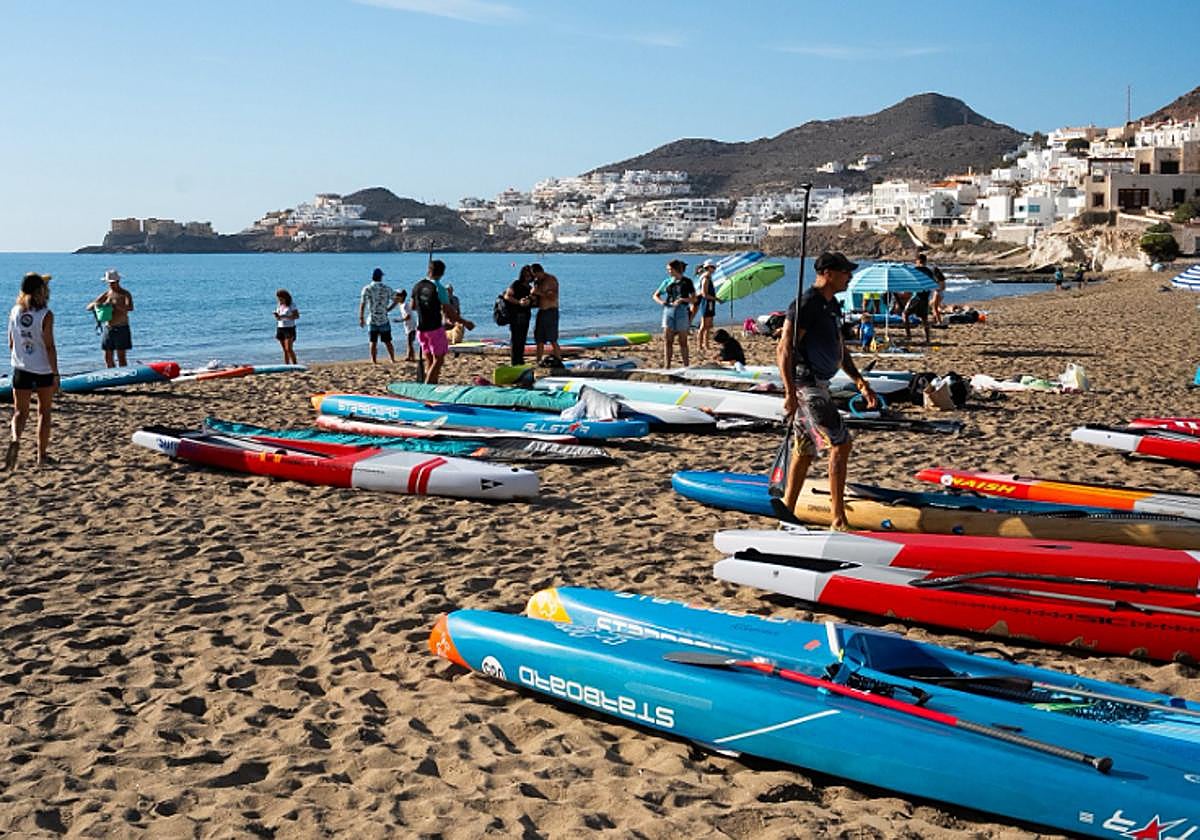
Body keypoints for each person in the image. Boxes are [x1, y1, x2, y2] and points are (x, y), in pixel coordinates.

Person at [773, 252, 878, 530]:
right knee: (841, 443)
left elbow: (840, 350)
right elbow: (784, 348)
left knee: (805, 449)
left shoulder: (832, 305)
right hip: (807, 385)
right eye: (846, 272)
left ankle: (787, 512)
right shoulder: (806, 303)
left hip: (821, 385)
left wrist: (860, 381)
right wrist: (789, 392)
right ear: (829, 273)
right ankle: (838, 518)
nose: (850, 277)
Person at [6, 272, 58, 470]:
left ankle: (15, 439)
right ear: (41, 291)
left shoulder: (15, 311)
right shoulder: (46, 314)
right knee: (44, 412)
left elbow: (11, 343)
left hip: (20, 368)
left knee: (20, 412)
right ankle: (41, 456)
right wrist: (55, 374)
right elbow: (49, 347)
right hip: (42, 369)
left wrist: (21, 356)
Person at [412, 259, 473, 384]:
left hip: (420, 329)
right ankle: (427, 387)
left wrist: (426, 304)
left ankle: (432, 384)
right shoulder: (439, 288)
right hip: (434, 328)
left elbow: (413, 306)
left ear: (429, 270)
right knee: (439, 360)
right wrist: (465, 322)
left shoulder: (417, 285)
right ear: (442, 273)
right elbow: (449, 312)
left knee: (429, 359)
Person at [85, 269, 134, 367]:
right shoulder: (107, 294)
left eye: (113, 283)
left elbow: (130, 308)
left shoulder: (125, 294)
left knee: (121, 356)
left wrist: (116, 306)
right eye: (109, 283)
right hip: (109, 327)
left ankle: (123, 376)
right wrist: (99, 305)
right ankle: (111, 375)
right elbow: (89, 307)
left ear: (118, 281)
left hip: (122, 327)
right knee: (107, 356)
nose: (111, 285)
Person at [653, 259, 695, 367]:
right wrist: (662, 302)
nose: (668, 271)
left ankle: (686, 366)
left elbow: (694, 299)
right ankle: (667, 366)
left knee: (683, 341)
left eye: (670, 269)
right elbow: (655, 295)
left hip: (682, 311)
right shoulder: (667, 282)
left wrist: (683, 300)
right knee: (668, 340)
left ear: (676, 269)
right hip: (669, 310)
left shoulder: (687, 282)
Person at [358, 267, 397, 364]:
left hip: (372, 319)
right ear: (381, 277)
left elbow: (363, 303)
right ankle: (392, 359)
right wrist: (389, 309)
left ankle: (374, 361)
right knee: (388, 341)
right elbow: (397, 299)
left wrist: (361, 318)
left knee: (373, 342)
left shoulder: (367, 288)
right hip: (383, 318)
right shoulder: (387, 288)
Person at [502, 265, 535, 366]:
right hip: (516, 314)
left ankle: (520, 359)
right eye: (526, 275)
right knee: (516, 339)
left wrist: (530, 302)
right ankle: (515, 361)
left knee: (522, 338)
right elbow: (507, 296)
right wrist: (518, 302)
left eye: (530, 275)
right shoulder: (516, 284)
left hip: (525, 315)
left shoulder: (530, 288)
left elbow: (534, 301)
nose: (528, 277)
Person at [530, 263, 561, 365]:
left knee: (552, 338)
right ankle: (538, 360)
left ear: (540, 272)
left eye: (536, 275)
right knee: (539, 339)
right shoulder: (537, 282)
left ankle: (558, 359)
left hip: (551, 311)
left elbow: (553, 297)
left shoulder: (550, 280)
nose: (535, 277)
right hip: (541, 311)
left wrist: (538, 292)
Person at [907, 254, 935, 343]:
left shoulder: (915, 270)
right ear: (925, 261)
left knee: (905, 314)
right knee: (924, 318)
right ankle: (927, 339)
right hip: (925, 297)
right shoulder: (929, 272)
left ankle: (909, 336)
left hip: (917, 296)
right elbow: (932, 283)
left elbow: (912, 282)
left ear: (918, 261)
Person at [694, 259, 719, 352]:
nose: (714, 269)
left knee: (709, 325)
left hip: (710, 302)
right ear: (708, 268)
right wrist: (716, 299)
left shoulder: (708, 277)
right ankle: (699, 346)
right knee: (704, 325)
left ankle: (706, 344)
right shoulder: (705, 278)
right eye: (713, 267)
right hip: (707, 302)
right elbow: (704, 294)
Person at [916, 253, 948, 324]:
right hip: (938, 292)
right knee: (933, 306)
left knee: (935, 308)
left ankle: (939, 322)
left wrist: (936, 289)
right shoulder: (938, 275)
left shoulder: (932, 273)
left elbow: (941, 286)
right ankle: (935, 320)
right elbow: (943, 285)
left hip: (937, 292)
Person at [273, 289, 299, 365]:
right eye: (278, 298)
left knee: (289, 349)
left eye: (280, 298)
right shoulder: (279, 305)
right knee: (284, 349)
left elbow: (296, 316)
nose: (279, 299)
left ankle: (295, 364)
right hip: (280, 327)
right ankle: (286, 365)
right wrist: (277, 316)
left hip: (289, 328)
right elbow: (279, 318)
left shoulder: (291, 304)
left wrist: (285, 316)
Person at [392, 289, 416, 362]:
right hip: (408, 325)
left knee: (409, 342)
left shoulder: (405, 305)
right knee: (409, 342)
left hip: (411, 326)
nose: (396, 297)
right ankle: (411, 356)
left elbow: (408, 316)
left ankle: (410, 357)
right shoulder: (401, 304)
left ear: (402, 297)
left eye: (398, 296)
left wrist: (399, 320)